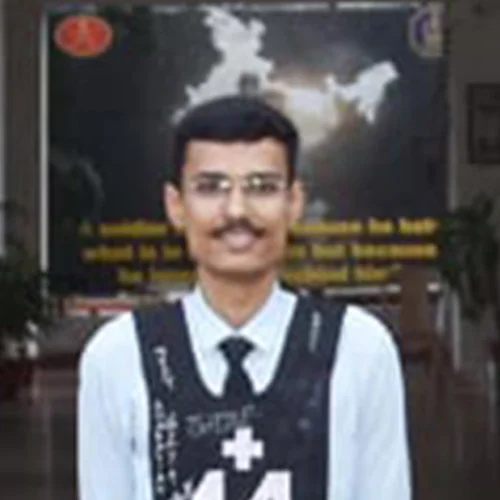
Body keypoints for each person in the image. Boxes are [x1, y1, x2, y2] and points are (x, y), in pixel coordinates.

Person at [78, 96, 411, 500]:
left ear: (293, 203)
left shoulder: (358, 349)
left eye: (262, 187)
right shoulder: (119, 355)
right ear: (176, 206)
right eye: (210, 187)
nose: (236, 211)